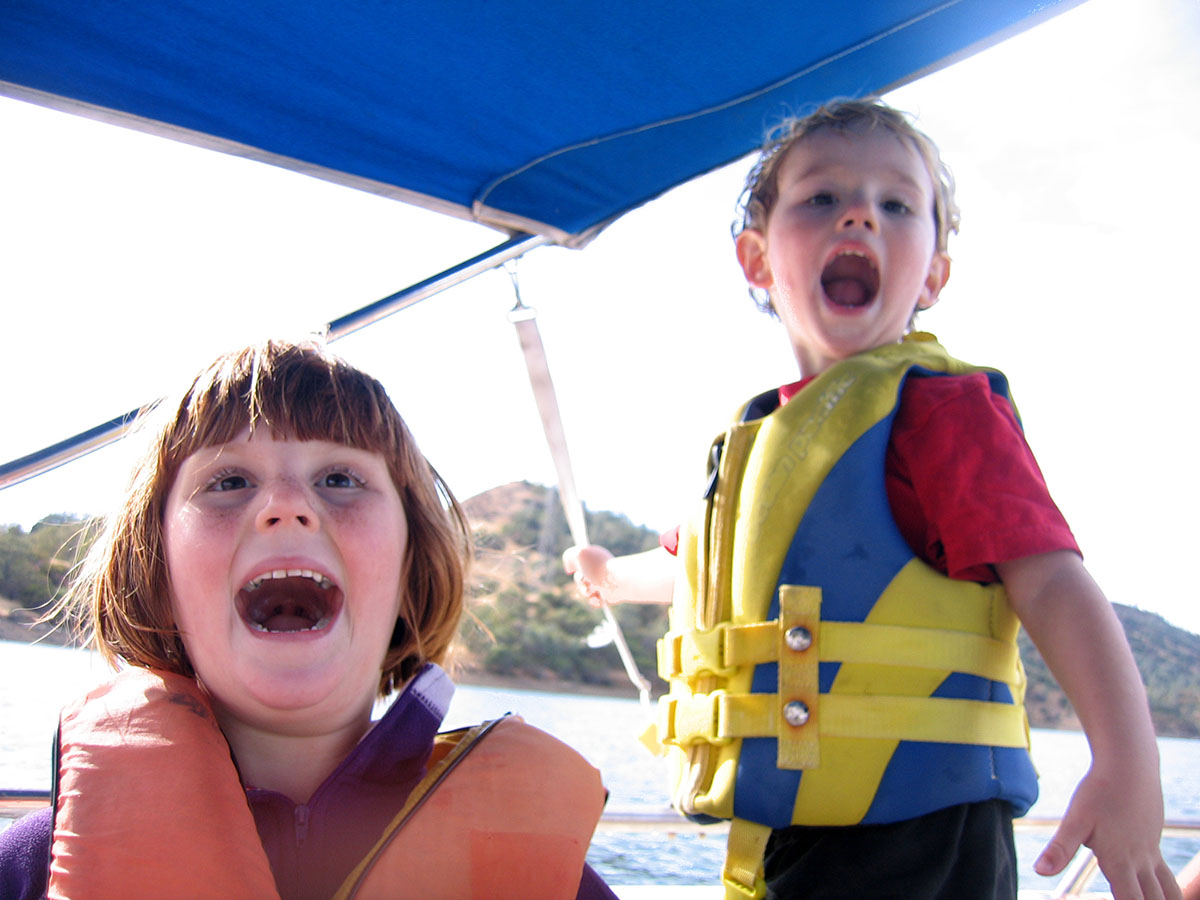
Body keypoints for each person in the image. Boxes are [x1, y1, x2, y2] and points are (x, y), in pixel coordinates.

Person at [564, 98, 1179, 900]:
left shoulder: (944, 413)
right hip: (785, 836)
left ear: (932, 274)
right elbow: (696, 572)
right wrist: (611, 575)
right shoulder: (756, 441)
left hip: (924, 839)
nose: (859, 214)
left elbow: (1053, 580)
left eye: (896, 204)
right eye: (822, 198)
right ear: (756, 257)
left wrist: (1127, 763)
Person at [0, 339, 615, 900]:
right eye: (230, 480)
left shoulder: (554, 881)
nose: (288, 506)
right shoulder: (29, 869)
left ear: (409, 567)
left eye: (341, 478)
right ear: (156, 570)